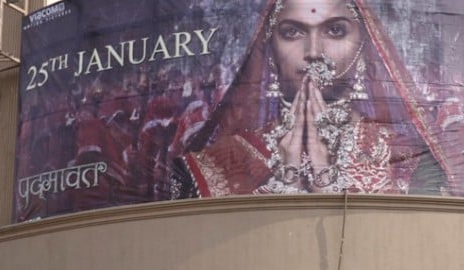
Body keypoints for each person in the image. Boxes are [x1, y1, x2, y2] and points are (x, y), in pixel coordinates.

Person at [174, 0, 445, 198]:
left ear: (363, 50)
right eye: (292, 32)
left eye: (335, 31)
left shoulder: (410, 163)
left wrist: (326, 187)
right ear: (270, 55)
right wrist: (285, 182)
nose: (314, 52)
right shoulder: (211, 164)